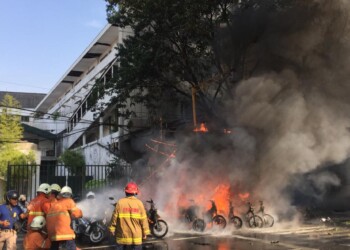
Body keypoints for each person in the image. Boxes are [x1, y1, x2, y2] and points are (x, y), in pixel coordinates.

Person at [109, 182, 150, 250]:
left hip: (122, 236)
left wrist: (112, 229)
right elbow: (144, 220)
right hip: (136, 237)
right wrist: (145, 232)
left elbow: (114, 217)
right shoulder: (139, 203)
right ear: (135, 193)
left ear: (125, 192)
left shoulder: (120, 202)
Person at [46, 186, 82, 250]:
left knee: (54, 247)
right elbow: (77, 214)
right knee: (71, 246)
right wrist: (81, 214)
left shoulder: (55, 204)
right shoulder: (69, 201)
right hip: (64, 232)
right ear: (70, 194)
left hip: (52, 233)